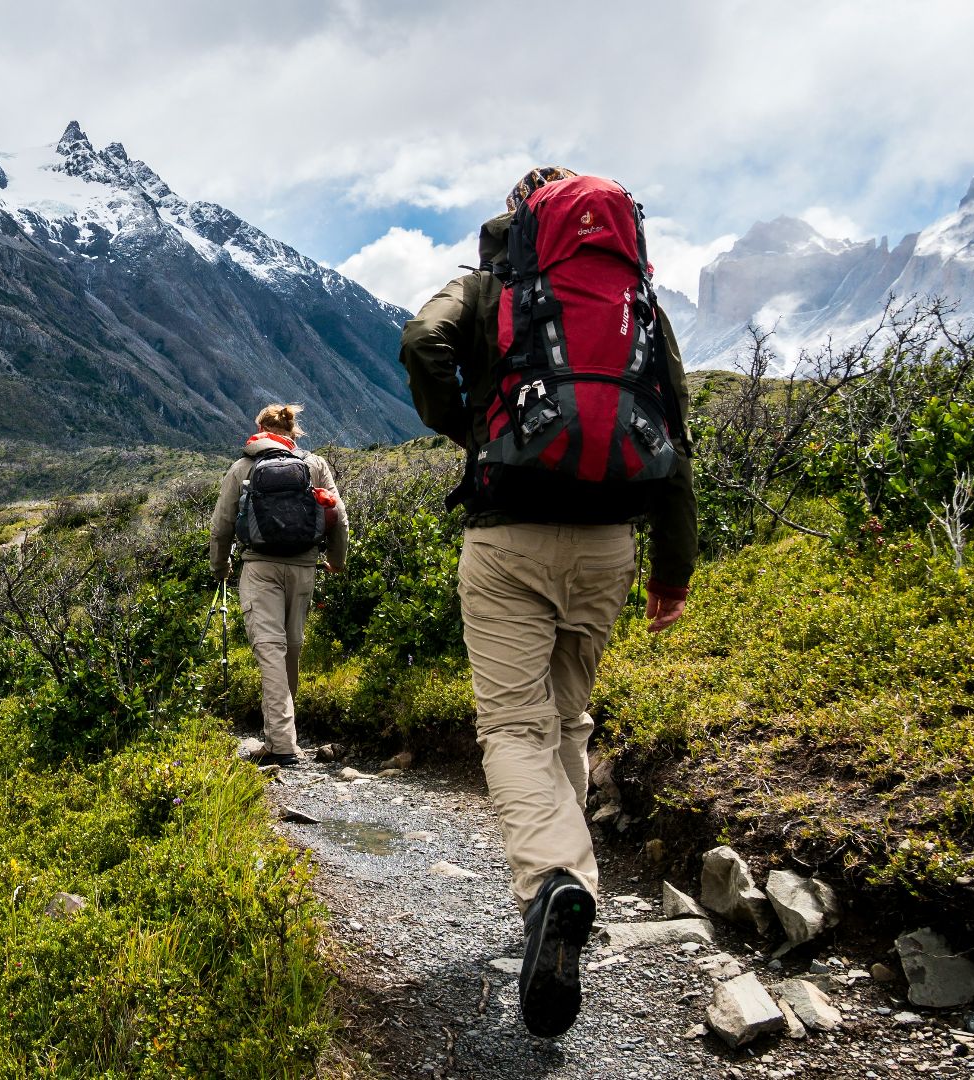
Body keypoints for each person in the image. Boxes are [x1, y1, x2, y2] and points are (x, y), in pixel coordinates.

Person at [398, 166, 697, 1038]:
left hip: (509, 534)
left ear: (522, 218)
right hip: (609, 543)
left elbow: (422, 342)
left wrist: (470, 426)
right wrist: (672, 571)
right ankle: (565, 893)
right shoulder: (636, 302)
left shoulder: (491, 286)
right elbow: (674, 429)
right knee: (568, 719)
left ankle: (553, 886)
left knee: (512, 728)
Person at [209, 403, 348, 767]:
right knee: (292, 648)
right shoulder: (314, 465)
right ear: (293, 431)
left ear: (259, 429)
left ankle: (282, 744)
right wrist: (336, 560)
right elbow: (339, 517)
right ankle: (283, 735)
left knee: (270, 649)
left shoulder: (242, 467)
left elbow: (222, 526)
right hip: (304, 568)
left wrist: (221, 567)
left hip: (260, 568)